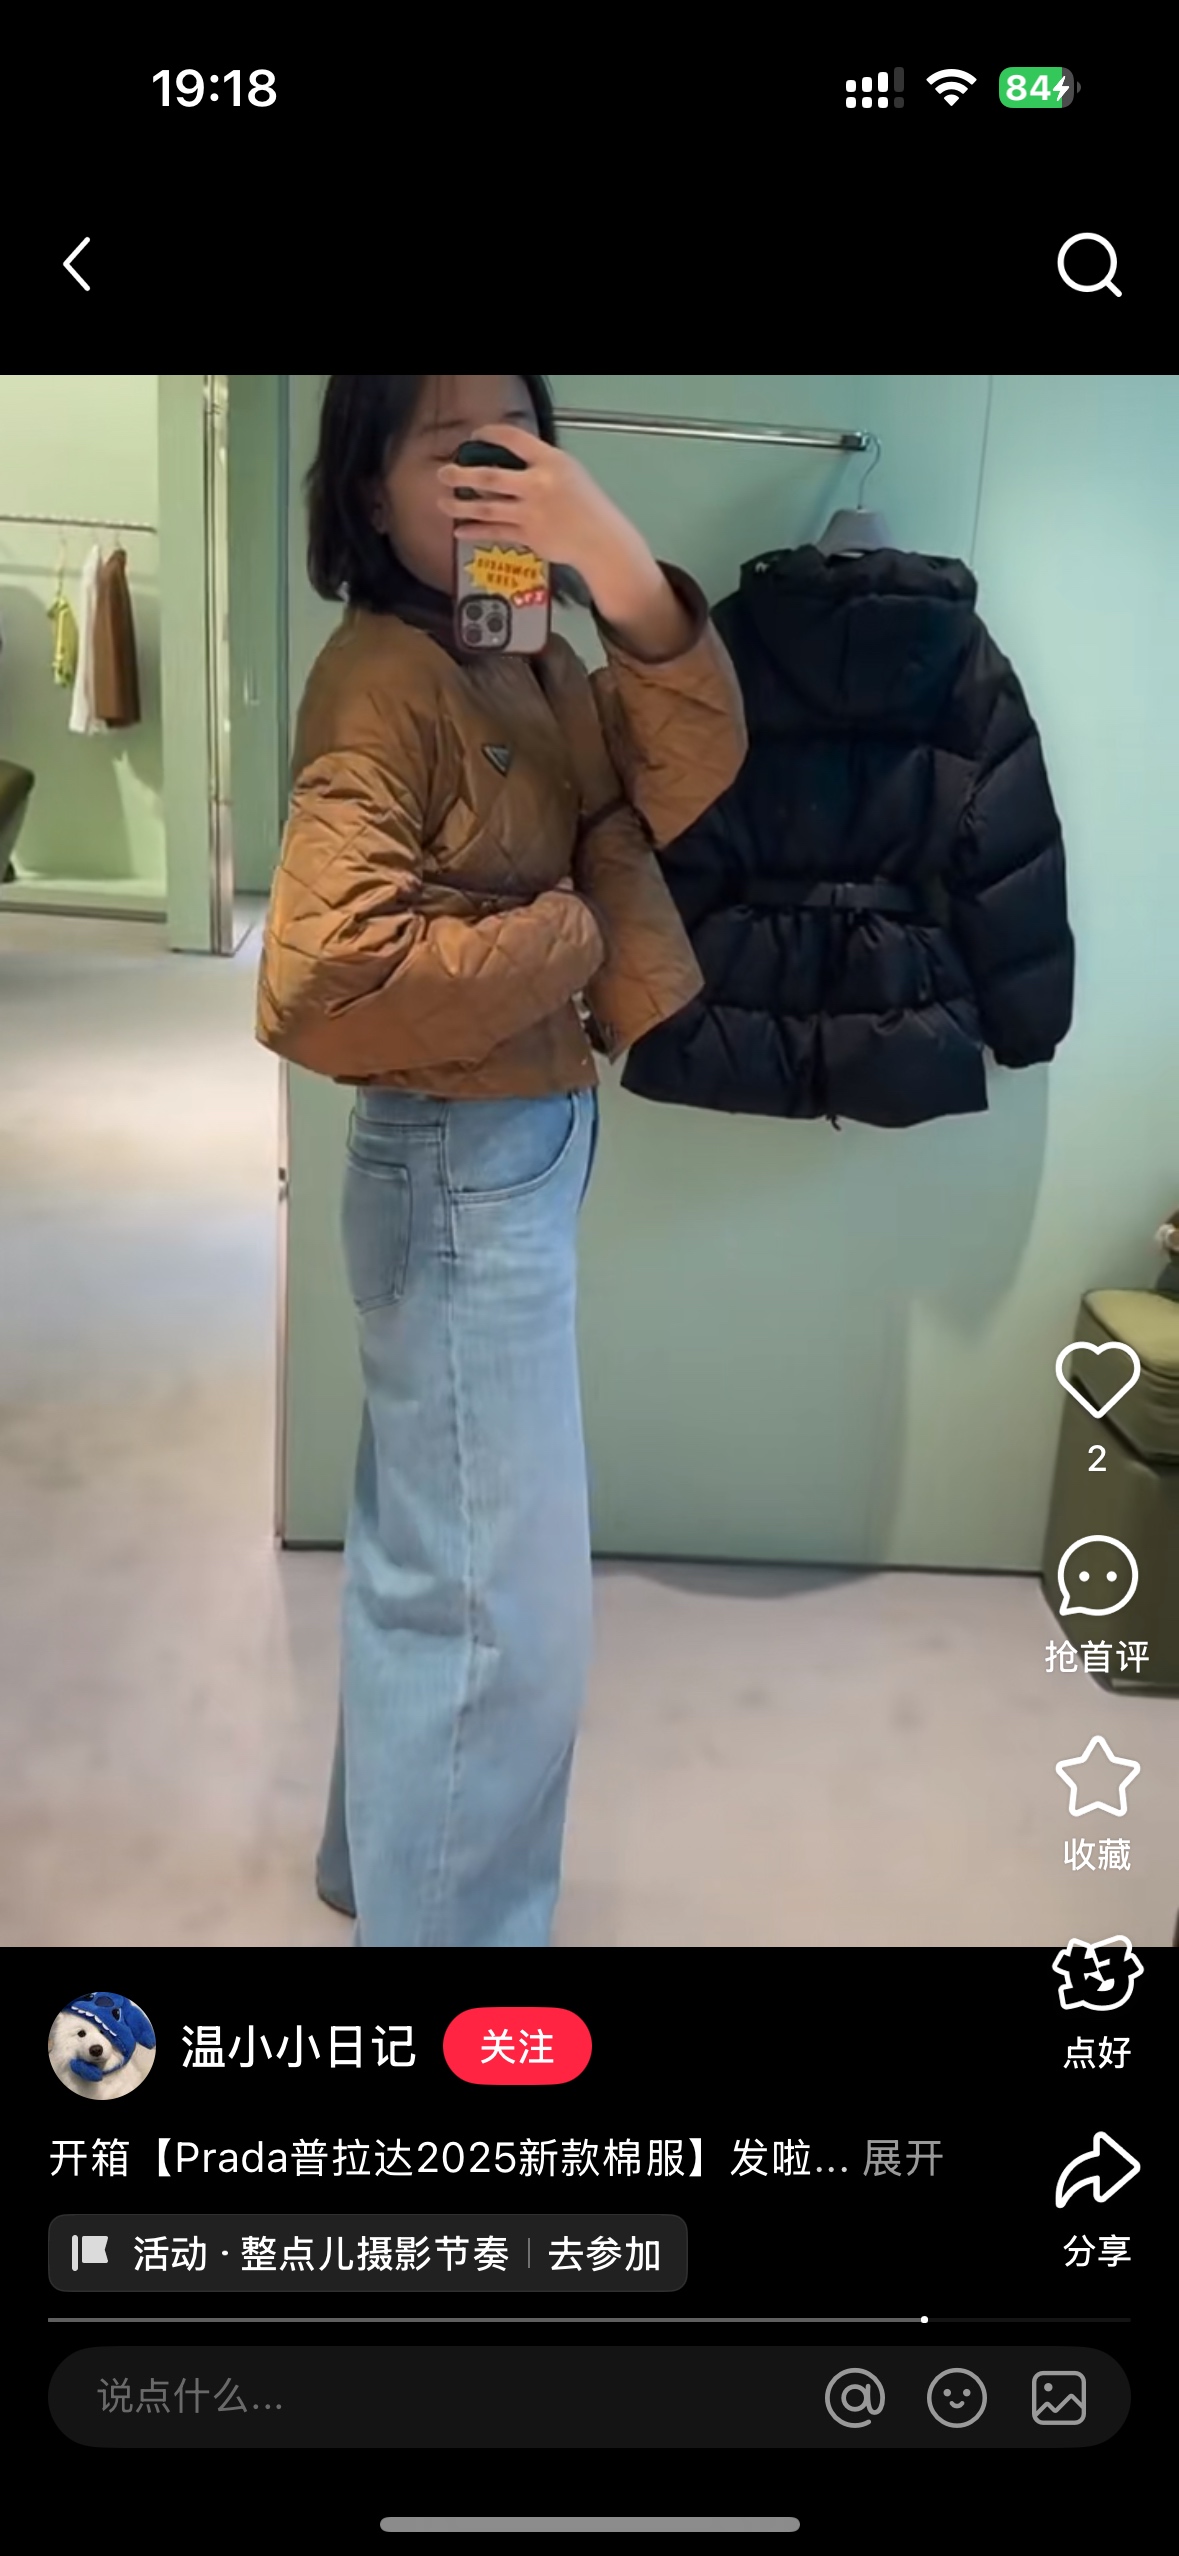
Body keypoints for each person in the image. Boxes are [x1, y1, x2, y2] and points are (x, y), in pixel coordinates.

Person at [256, 374, 747, 1947]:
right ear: (366, 486)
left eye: (518, 441)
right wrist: (571, 935)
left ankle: (382, 1872)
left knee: (437, 1549)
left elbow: (685, 767)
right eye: (447, 444)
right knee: (499, 1608)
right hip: (461, 1162)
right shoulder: (380, 681)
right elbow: (323, 983)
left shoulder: (517, 650)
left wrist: (619, 568)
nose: (491, 470)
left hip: (499, 1151)